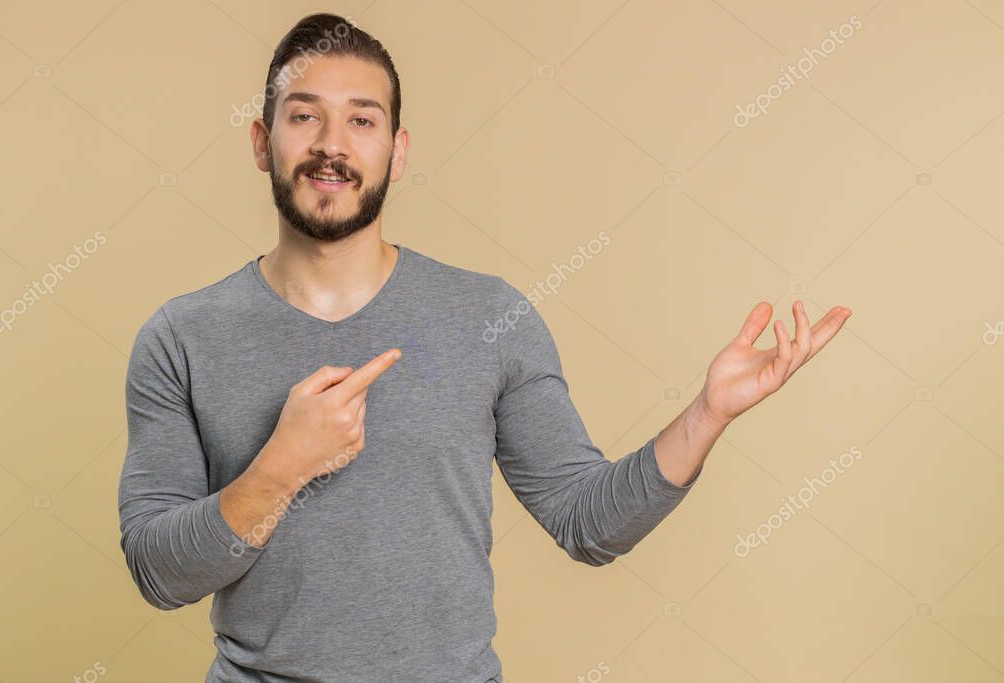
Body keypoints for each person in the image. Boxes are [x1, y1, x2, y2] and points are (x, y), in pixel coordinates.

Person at [117, 13, 852, 683]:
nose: (331, 145)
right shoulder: (181, 337)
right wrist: (282, 466)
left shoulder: (490, 317)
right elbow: (159, 573)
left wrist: (707, 413)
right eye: (304, 115)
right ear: (261, 141)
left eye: (362, 120)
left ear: (397, 151)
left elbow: (588, 523)